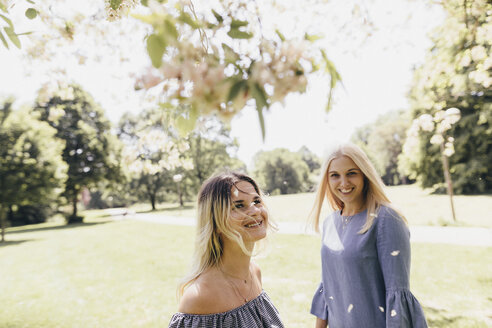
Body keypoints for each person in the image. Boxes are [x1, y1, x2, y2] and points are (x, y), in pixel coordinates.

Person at [309, 143, 428, 328]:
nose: (344, 183)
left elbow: (397, 294)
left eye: (351, 173)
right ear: (327, 179)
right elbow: (328, 288)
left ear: (364, 174)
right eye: (335, 175)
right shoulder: (330, 223)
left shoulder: (386, 219)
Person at [168, 171, 284, 328]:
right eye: (239, 206)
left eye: (257, 201)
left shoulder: (255, 272)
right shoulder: (199, 297)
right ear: (214, 222)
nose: (255, 211)